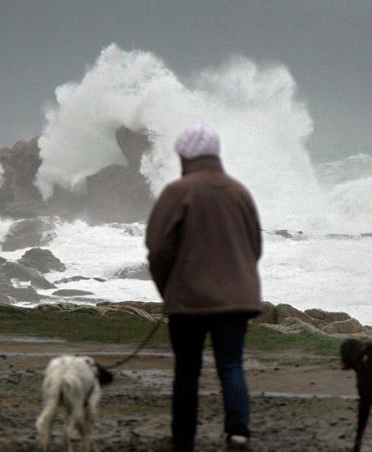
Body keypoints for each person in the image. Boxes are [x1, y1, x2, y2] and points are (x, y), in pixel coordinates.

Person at [146, 124, 262, 451]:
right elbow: (255, 246)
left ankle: (183, 438)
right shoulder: (239, 192)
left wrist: (167, 289)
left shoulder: (177, 191)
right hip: (235, 301)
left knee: (187, 370)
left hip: (189, 301)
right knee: (231, 365)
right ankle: (237, 433)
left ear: (184, 154)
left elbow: (158, 250)